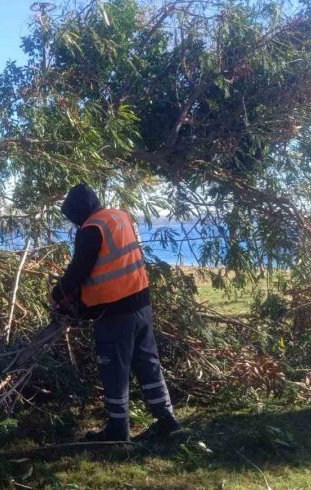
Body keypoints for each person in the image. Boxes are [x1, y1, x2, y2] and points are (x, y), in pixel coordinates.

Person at [50, 183, 180, 442]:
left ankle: (118, 429)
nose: (75, 223)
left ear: (80, 211)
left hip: (114, 310)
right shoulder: (120, 216)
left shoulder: (91, 228)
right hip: (141, 301)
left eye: (74, 217)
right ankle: (166, 418)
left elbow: (79, 269)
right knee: (147, 361)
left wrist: (58, 294)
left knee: (114, 368)